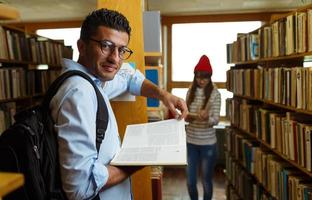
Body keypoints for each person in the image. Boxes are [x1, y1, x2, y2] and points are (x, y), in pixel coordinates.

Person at [49, 8, 188, 200]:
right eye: (106, 46)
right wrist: (137, 161)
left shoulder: (93, 80)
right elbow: (80, 187)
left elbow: (129, 77)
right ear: (82, 46)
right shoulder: (79, 93)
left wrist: (164, 95)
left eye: (121, 50)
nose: (115, 58)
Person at [185, 55, 221, 200]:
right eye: (199, 77)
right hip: (190, 142)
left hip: (208, 145)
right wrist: (187, 116)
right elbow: (186, 116)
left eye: (205, 77)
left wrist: (208, 118)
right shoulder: (190, 92)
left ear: (210, 77)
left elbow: (216, 120)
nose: (201, 80)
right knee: (190, 181)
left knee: (206, 180)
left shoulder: (215, 94)